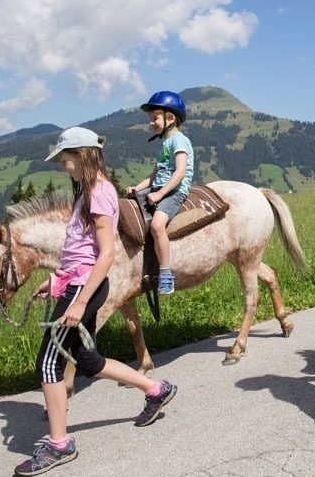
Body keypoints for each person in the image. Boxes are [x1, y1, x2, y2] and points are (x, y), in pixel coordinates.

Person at [15, 127, 177, 476]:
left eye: (66, 159)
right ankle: (155, 388)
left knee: (48, 363)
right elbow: (80, 252)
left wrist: (78, 301)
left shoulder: (99, 195)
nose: (63, 166)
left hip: (84, 290)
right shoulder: (86, 193)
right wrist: (56, 279)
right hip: (76, 284)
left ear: (83, 155)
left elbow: (105, 256)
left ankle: (59, 445)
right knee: (87, 358)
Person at [125, 91, 194, 294]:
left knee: (156, 226)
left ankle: (165, 274)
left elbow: (180, 172)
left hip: (174, 192)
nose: (151, 123)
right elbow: (154, 175)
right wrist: (137, 188)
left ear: (170, 118)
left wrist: (159, 194)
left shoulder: (179, 140)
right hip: (159, 188)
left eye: (155, 117)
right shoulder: (164, 144)